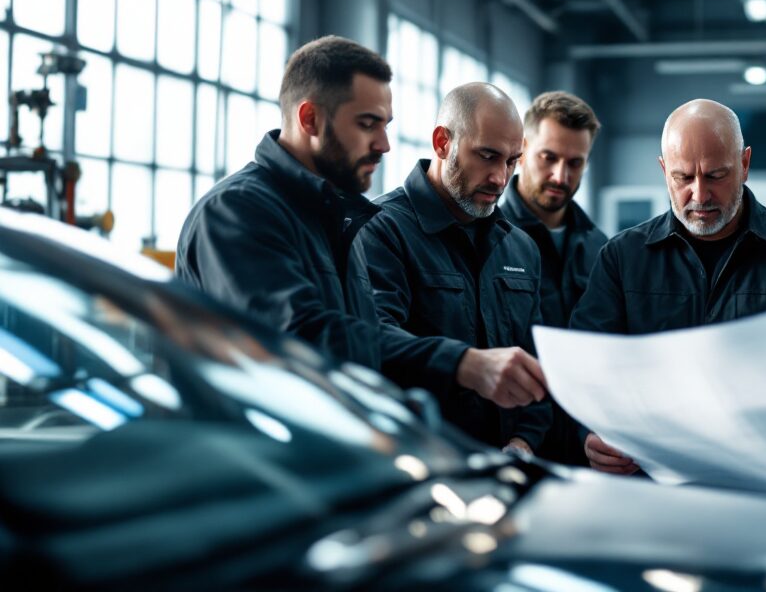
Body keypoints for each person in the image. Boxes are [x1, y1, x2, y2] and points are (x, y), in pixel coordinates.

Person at [571, 99, 766, 474]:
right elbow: (585, 368)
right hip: (651, 484)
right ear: (663, 169)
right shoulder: (622, 258)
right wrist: (588, 433)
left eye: (716, 176)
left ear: (745, 164)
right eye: (683, 178)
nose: (700, 196)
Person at [178, 35, 460, 380]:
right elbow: (298, 342)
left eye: (386, 126)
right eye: (367, 124)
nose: (384, 145)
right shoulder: (236, 211)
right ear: (310, 119)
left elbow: (356, 346)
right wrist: (457, 361)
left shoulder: (336, 218)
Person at [357, 82, 549, 454]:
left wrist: (525, 440)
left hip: (506, 467)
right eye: (487, 156)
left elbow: (535, 363)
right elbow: (371, 342)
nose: (500, 178)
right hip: (419, 464)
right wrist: (466, 364)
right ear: (443, 142)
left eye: (511, 161)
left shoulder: (521, 248)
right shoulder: (381, 231)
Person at [498, 91, 608, 465]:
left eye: (575, 163)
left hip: (586, 449)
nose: (561, 176)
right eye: (549, 157)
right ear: (523, 148)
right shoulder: (489, 239)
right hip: (514, 447)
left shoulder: (600, 249)